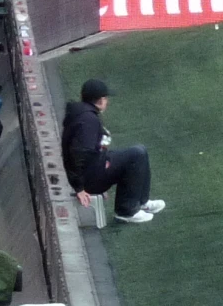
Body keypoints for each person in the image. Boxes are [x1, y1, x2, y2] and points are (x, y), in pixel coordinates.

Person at [60, 81, 164, 224]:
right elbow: (78, 154)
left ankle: (141, 201)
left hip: (93, 168)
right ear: (101, 100)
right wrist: (79, 187)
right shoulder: (88, 120)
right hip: (90, 178)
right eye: (106, 98)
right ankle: (126, 211)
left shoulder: (83, 114)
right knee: (136, 154)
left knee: (140, 151)